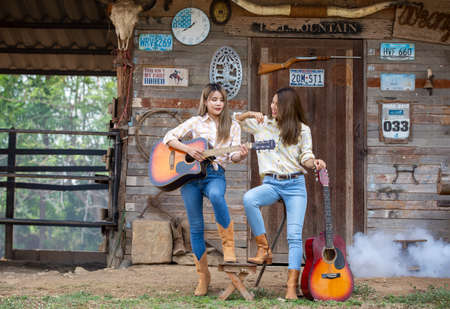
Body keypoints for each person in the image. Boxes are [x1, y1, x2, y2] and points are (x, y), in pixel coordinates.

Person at [234, 87, 326, 300]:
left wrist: (315, 163)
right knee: (249, 198)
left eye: (277, 103)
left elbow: (306, 157)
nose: (272, 107)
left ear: (288, 106)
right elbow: (234, 121)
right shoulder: (263, 124)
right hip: (272, 183)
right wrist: (249, 114)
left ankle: (291, 287)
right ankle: (263, 249)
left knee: (294, 236)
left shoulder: (303, 130)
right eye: (272, 103)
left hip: (295, 186)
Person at [162, 83, 248, 296]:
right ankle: (203, 277)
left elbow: (234, 157)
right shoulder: (195, 122)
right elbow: (168, 138)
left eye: (221, 100)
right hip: (190, 178)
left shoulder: (233, 126)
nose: (218, 103)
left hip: (215, 174)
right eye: (214, 99)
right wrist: (188, 148)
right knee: (196, 226)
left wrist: (242, 155)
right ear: (206, 102)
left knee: (218, 196)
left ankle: (228, 247)